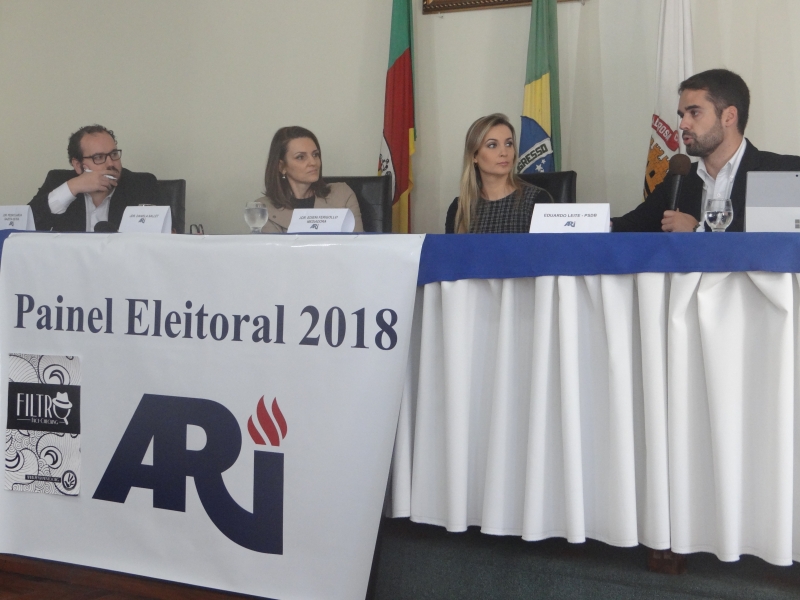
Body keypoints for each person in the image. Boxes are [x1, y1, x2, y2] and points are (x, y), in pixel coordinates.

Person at [612, 69, 800, 232]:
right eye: (682, 115)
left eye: (694, 112)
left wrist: (698, 231)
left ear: (728, 117)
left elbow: (774, 244)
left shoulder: (785, 173)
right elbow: (629, 227)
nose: (683, 124)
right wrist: (588, 220)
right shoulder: (679, 180)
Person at [29, 125, 158, 232]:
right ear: (78, 165)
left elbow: (168, 235)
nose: (111, 163)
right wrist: (72, 187)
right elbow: (25, 225)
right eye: (99, 157)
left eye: (113, 154)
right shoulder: (58, 181)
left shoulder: (142, 184)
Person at [445, 113, 551, 234]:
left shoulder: (537, 200)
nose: (504, 152)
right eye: (492, 145)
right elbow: (451, 252)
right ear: (474, 156)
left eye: (508, 144)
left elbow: (547, 251)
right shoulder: (460, 208)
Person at [257, 126, 362, 233]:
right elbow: (272, 249)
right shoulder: (263, 209)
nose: (313, 162)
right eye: (300, 157)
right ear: (282, 167)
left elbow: (358, 245)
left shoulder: (342, 195)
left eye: (315, 154)